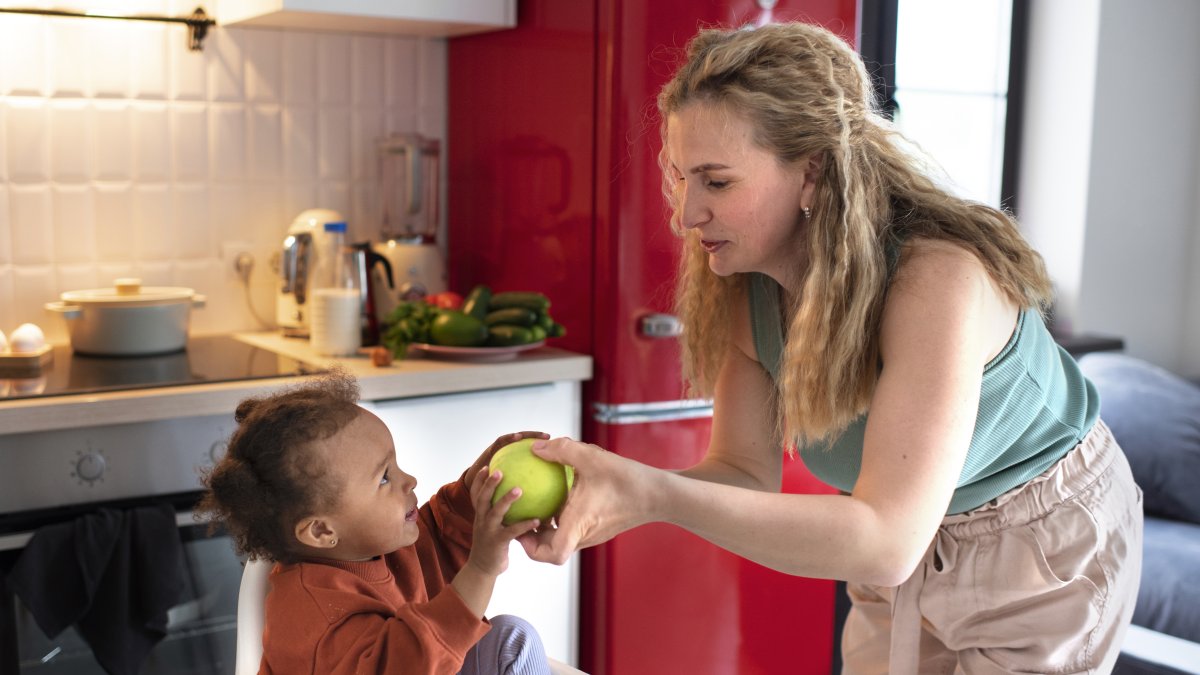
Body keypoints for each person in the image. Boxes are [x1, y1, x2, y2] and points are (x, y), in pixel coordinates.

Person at [519, 21, 1143, 674]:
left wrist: (650, 493)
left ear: (813, 171)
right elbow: (740, 472)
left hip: (1040, 544)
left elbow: (886, 540)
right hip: (898, 548)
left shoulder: (936, 280)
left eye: (717, 182)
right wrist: (614, 493)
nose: (685, 213)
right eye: (681, 177)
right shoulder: (748, 287)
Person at [197, 369, 556, 675]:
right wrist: (482, 567)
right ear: (322, 530)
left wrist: (476, 485)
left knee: (512, 636)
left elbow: (441, 539)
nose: (409, 481)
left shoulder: (378, 546)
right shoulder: (315, 616)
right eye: (384, 477)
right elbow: (408, 662)